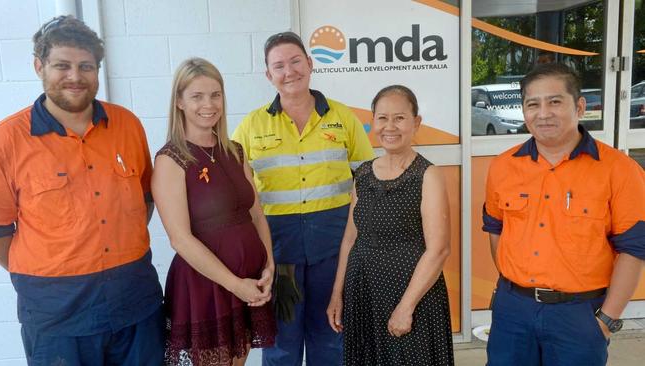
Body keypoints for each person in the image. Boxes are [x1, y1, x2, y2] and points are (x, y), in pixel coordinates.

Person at [0, 15, 164, 365]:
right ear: (39, 66)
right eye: (62, 65)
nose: (75, 76)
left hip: (135, 303)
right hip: (57, 318)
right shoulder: (6, 140)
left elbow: (144, 199)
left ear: (97, 70)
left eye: (86, 66)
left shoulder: (127, 125)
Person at [483, 63, 645, 365]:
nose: (543, 113)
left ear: (580, 106)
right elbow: (496, 229)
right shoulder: (503, 166)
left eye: (555, 101)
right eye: (533, 104)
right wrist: (515, 284)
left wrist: (606, 320)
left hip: (580, 316)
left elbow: (633, 250)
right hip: (512, 312)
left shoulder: (620, 170)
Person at [232, 31, 374, 366]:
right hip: (280, 257)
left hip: (333, 249)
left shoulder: (343, 118)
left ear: (310, 64)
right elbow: (235, 190)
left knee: (332, 335)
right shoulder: (251, 126)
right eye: (278, 66)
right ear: (269, 75)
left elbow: (366, 182)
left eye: (296, 61)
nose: (289, 71)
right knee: (282, 342)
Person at [152, 57, 277, 366]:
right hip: (206, 288)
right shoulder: (171, 159)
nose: (209, 104)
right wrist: (235, 284)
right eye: (197, 96)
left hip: (250, 282)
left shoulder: (235, 150)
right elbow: (180, 240)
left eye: (215, 94)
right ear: (179, 101)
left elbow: (256, 214)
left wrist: (269, 267)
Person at [326, 85, 455, 365]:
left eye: (399, 118)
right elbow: (350, 239)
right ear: (373, 122)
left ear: (416, 123)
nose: (390, 126)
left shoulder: (427, 175)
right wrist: (338, 294)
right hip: (364, 293)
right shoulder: (362, 173)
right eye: (382, 118)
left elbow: (439, 250)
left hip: (411, 296)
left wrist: (406, 307)